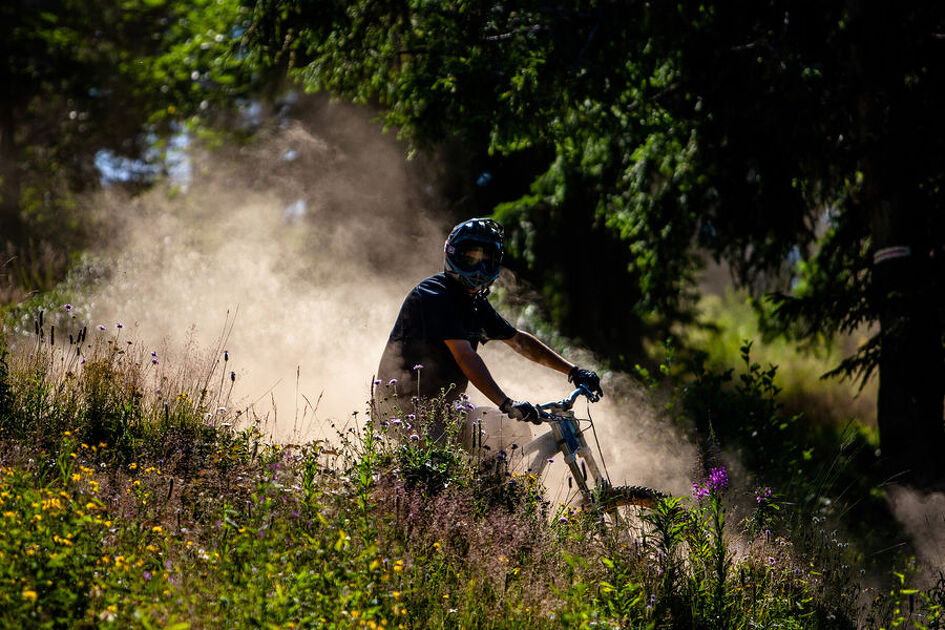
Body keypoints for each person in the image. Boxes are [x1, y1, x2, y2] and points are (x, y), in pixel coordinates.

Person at [376, 217, 602, 446]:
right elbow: (465, 356)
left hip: (445, 412)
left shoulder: (473, 302)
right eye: (471, 257)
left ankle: (496, 482)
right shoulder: (435, 294)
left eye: (487, 259)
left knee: (512, 434)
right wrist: (506, 403)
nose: (479, 267)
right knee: (441, 467)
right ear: (454, 254)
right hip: (405, 413)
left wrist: (573, 371)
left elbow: (518, 341)